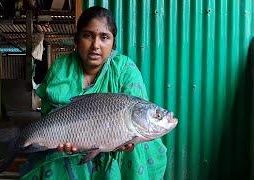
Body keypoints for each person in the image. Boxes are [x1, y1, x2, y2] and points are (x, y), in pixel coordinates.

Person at [20, 6, 167, 179]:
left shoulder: (125, 69)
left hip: (119, 149)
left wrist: (122, 138)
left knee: (138, 146)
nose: (95, 45)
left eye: (104, 37)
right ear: (77, 40)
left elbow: (137, 113)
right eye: (88, 35)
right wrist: (61, 138)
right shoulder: (60, 68)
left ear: (113, 43)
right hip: (66, 145)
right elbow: (49, 115)